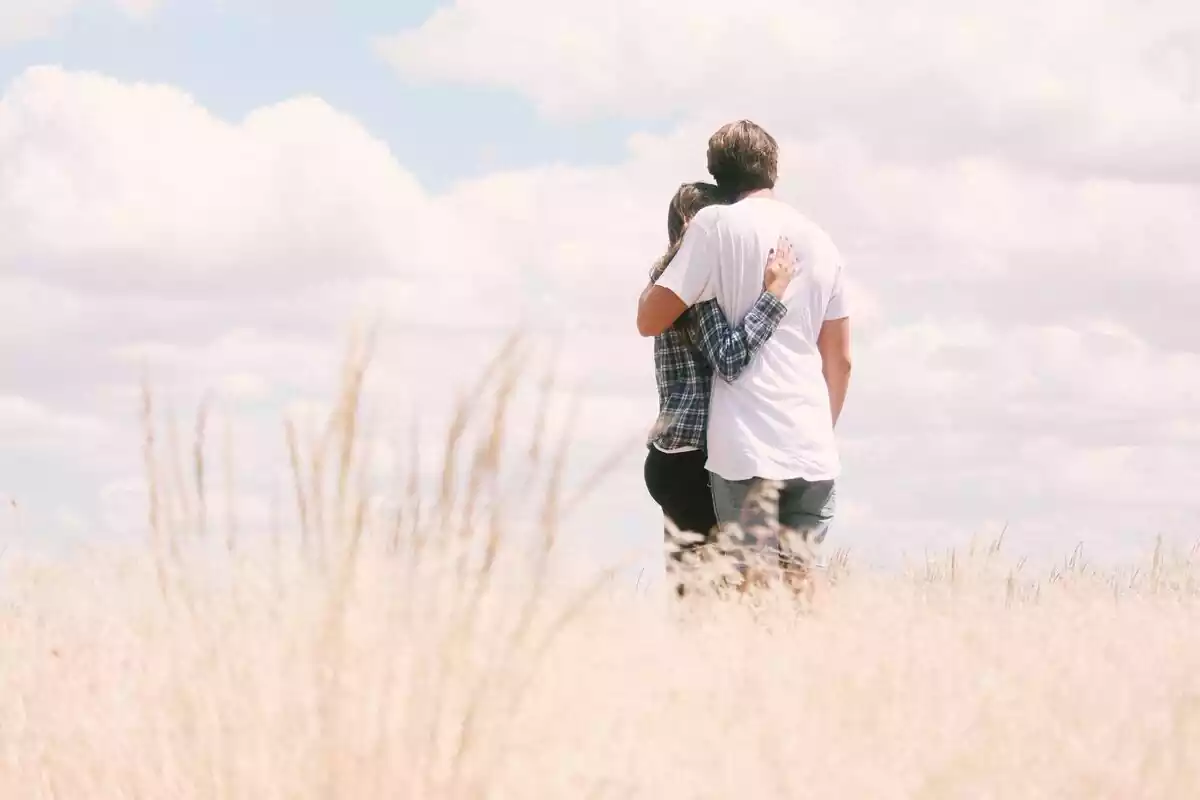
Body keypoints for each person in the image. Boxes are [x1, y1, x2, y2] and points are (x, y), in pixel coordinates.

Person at [637, 120, 853, 592]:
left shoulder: (714, 233)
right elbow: (841, 360)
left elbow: (652, 321)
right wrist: (819, 425)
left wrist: (769, 296)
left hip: (739, 447)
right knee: (803, 579)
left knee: (734, 586)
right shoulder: (821, 239)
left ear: (718, 173)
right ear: (774, 166)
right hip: (809, 442)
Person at [642, 181, 798, 596]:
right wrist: (773, 296)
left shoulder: (666, 282)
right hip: (695, 459)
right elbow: (728, 358)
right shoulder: (696, 288)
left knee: (692, 593)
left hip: (671, 456)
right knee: (720, 595)